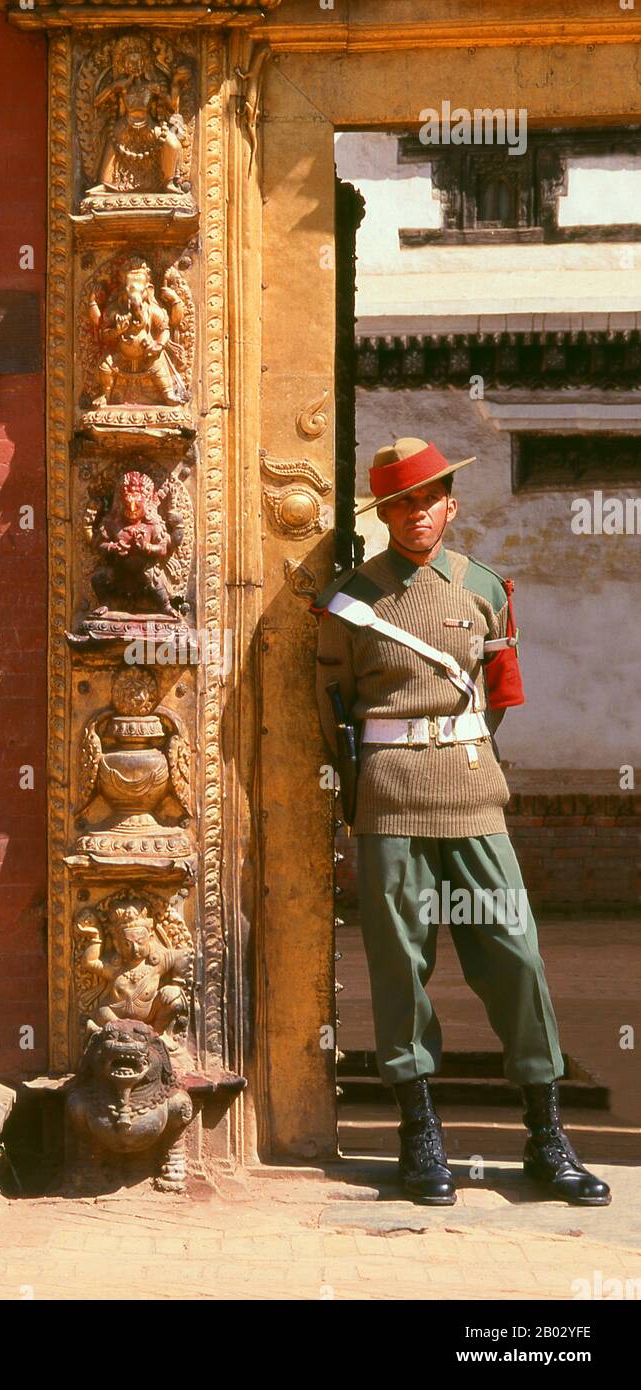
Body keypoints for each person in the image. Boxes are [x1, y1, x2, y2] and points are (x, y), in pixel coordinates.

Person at [312, 437, 611, 1207]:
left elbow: (501, 695)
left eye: (431, 498)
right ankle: (419, 1135)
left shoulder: (484, 588)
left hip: (474, 797)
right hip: (388, 802)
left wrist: (460, 755)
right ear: (384, 513)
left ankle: (545, 1138)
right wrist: (369, 782)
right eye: (402, 503)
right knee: (398, 967)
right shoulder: (350, 600)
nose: (419, 515)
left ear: (451, 502)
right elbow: (330, 706)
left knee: (514, 959)